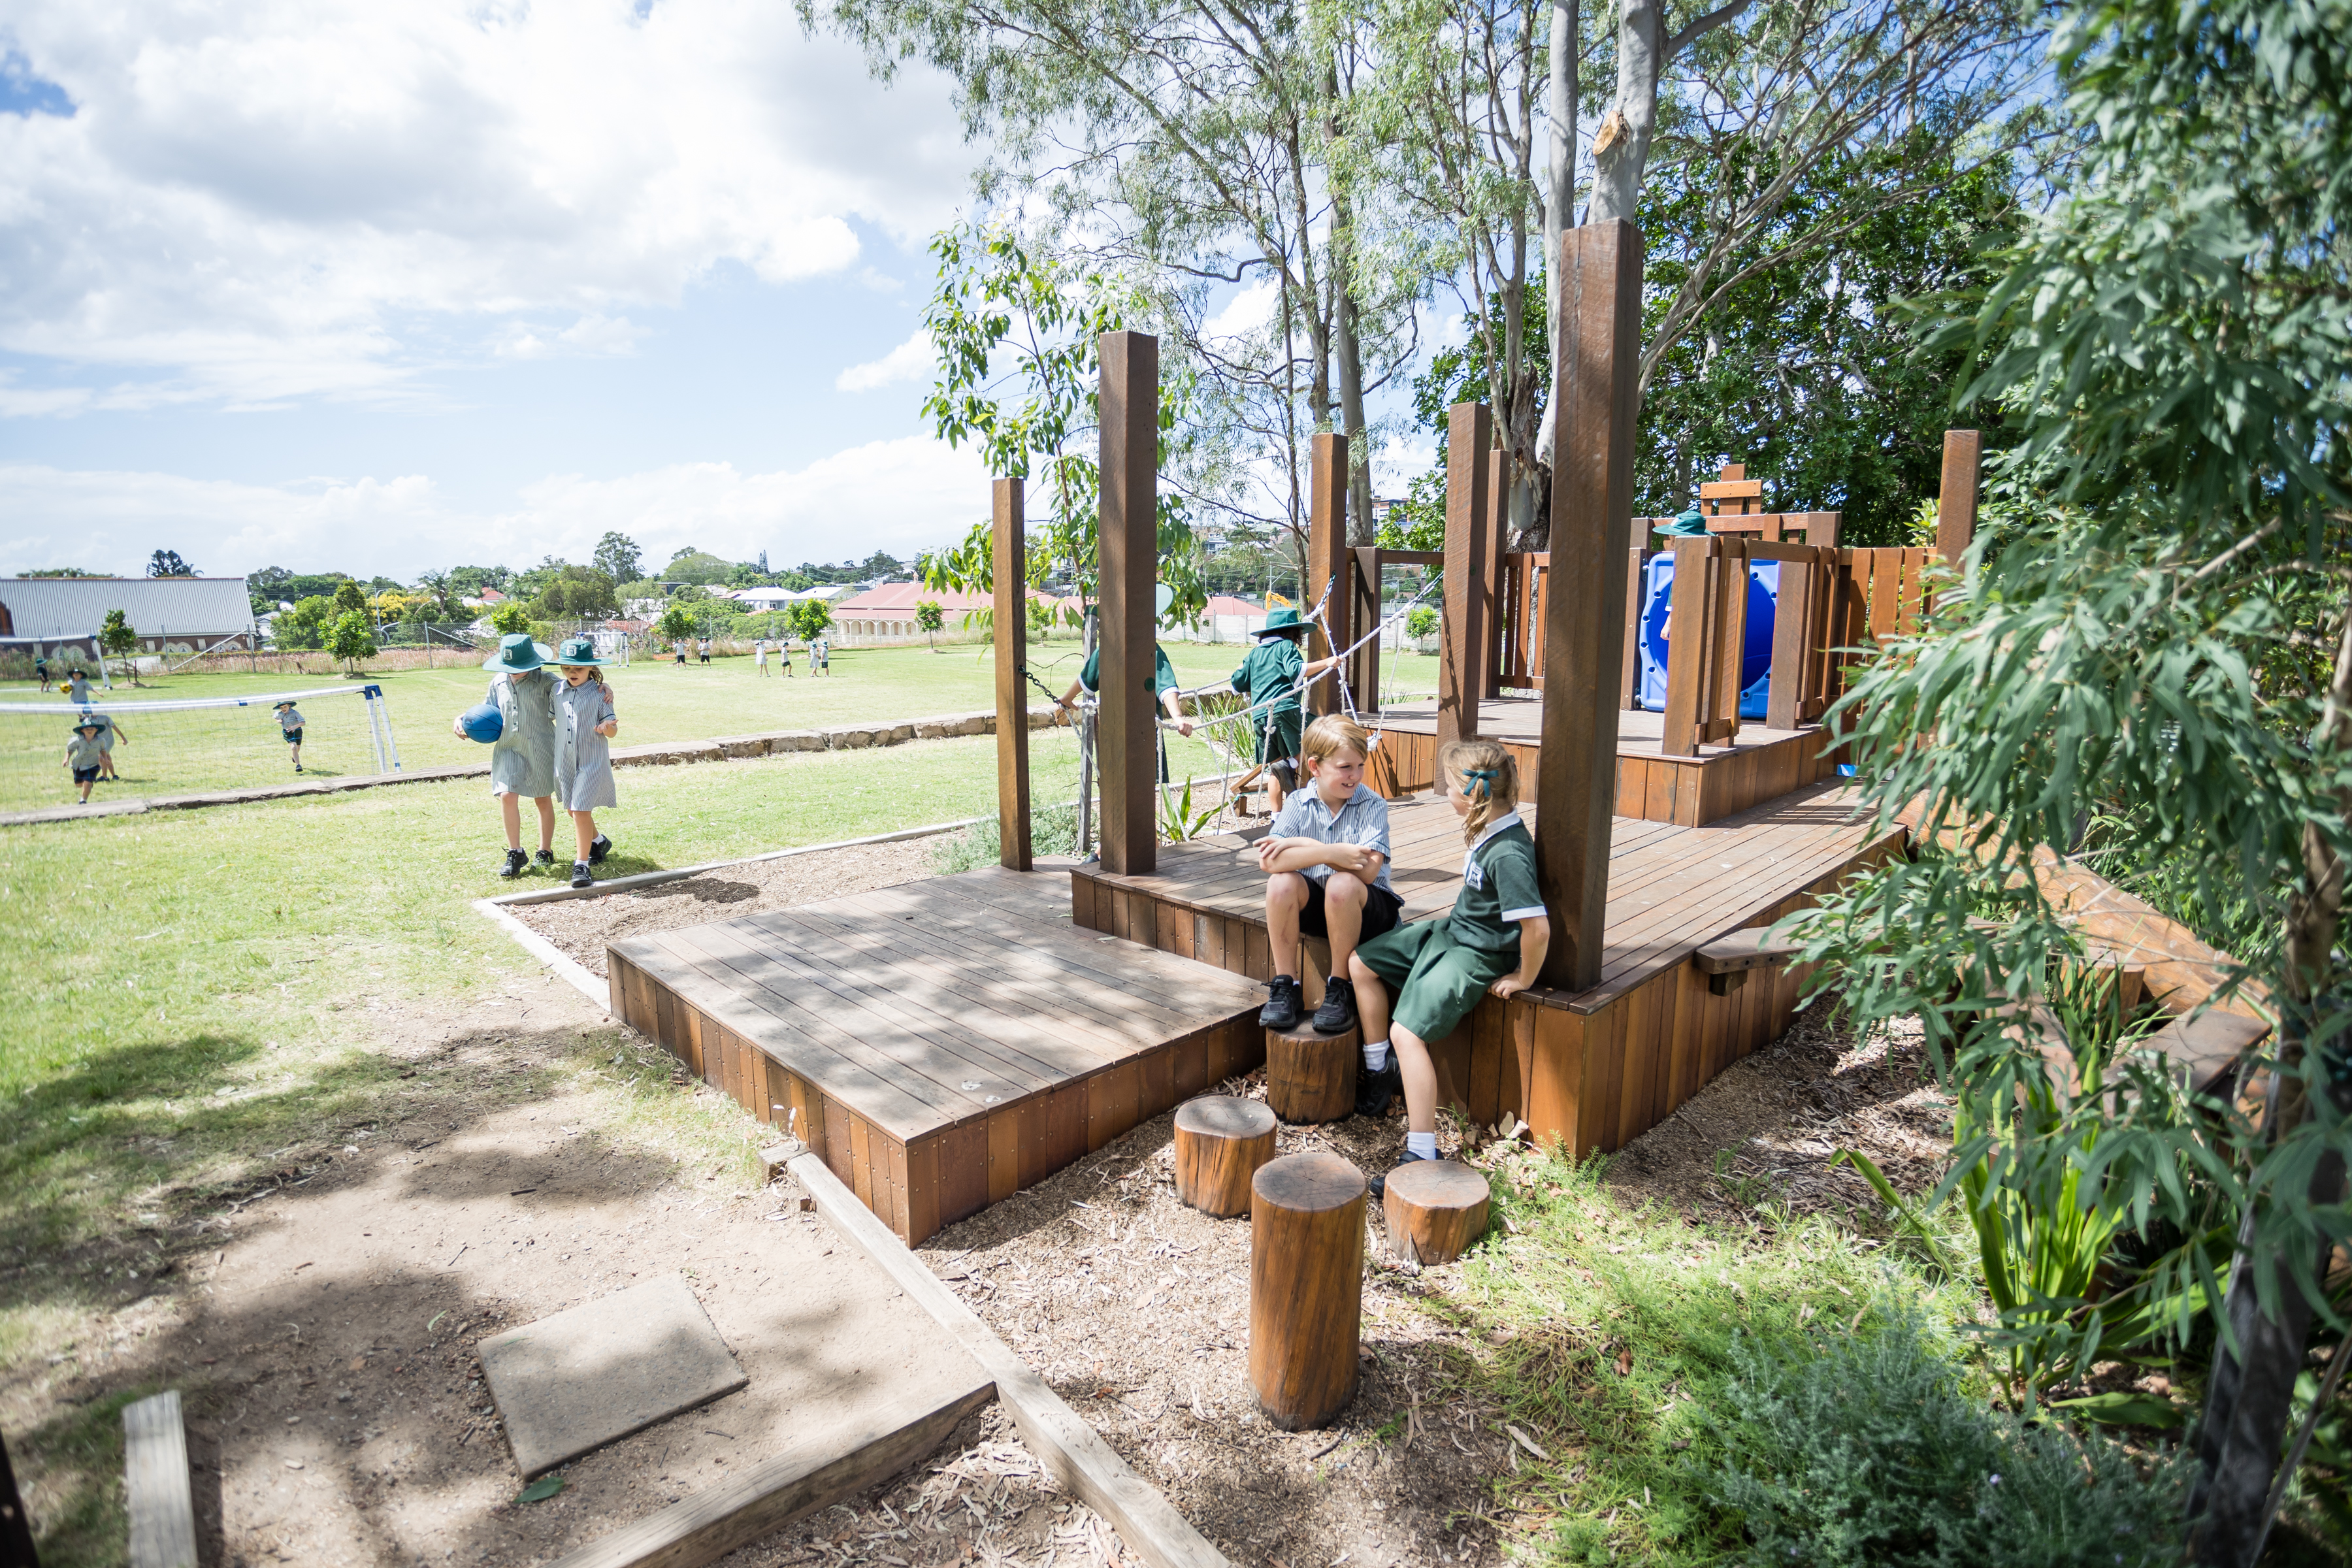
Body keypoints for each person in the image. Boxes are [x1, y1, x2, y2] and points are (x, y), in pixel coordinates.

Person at [1347, 739, 1549, 1197]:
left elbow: (1537, 929)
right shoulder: (1490, 829)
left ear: (1471, 793)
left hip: (1476, 954)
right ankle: (1382, 1070)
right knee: (1361, 963)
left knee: (1407, 1033)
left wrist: (1524, 977)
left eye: (1448, 788)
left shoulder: (1509, 853)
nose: (1445, 796)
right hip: (1453, 932)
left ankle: (1421, 1152)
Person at [1256, 715, 1399, 1036]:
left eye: (1360, 765)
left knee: (1343, 883)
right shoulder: (1297, 803)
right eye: (1345, 767)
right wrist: (1329, 852)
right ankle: (1286, 985)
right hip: (1322, 908)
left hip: (1369, 911)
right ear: (1315, 767)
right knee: (1281, 883)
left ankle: (1340, 988)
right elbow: (1270, 862)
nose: (1356, 776)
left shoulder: (1372, 804)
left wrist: (1302, 847)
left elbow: (1368, 870)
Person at [454, 632, 563, 877]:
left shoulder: (547, 682)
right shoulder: (498, 682)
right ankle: (515, 852)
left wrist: (603, 686)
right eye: (509, 665)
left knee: (542, 799)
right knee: (506, 795)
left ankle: (545, 851)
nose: (514, 670)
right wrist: (462, 718)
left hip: (540, 747)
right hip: (508, 747)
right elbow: (486, 711)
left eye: (520, 666)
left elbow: (575, 693)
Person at [1057, 585, 1193, 779]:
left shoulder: (1107, 648)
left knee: (1121, 783)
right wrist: (1178, 717)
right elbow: (1166, 686)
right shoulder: (1150, 648)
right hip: (1143, 732)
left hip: (1116, 731)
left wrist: (1067, 699)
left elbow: (1085, 680)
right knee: (1143, 785)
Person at [1230, 606, 1340, 815]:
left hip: (1261, 716)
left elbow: (1236, 683)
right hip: (1285, 709)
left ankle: (1277, 816)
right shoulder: (1286, 647)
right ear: (1293, 633)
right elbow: (1296, 670)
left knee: (1275, 769)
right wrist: (1328, 662)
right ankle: (1292, 764)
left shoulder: (1254, 654)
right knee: (1316, 733)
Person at [550, 636, 620, 889]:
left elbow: (613, 730)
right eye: (567, 668)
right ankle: (600, 842)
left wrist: (606, 728)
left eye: (578, 668)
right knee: (573, 810)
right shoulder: (556, 691)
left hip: (592, 762)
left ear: (591, 667)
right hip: (565, 761)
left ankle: (582, 866)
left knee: (580, 811)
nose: (572, 673)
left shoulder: (601, 694)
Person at [65, 718, 105, 803]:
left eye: (92, 729)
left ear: (96, 730)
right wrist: (66, 759)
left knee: (87, 782)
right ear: (82, 730)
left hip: (93, 765)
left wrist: (105, 759)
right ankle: (88, 785)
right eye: (87, 729)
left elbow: (103, 750)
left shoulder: (101, 741)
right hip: (79, 765)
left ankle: (83, 800)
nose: (89, 731)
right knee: (79, 785)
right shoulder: (76, 740)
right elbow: (70, 750)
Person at [274, 700, 306, 774]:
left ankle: (294, 757)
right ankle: (298, 765)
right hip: (287, 732)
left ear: (289, 706)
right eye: (281, 707)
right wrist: (278, 720)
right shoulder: (279, 714)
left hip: (297, 731)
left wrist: (294, 727)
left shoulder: (295, 713)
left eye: (285, 707)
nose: (283, 709)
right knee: (293, 747)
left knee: (297, 748)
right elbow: (275, 716)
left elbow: (303, 723)